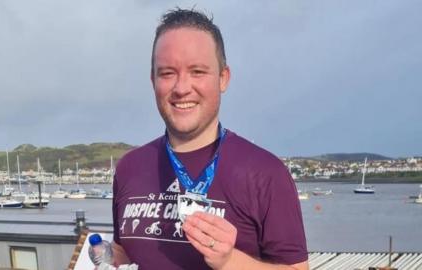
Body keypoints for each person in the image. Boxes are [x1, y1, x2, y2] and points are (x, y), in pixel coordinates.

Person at [112, 8, 308, 270]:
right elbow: (123, 253)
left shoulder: (266, 173)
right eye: (167, 73)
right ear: (153, 80)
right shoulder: (129, 168)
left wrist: (230, 261)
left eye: (197, 71)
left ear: (223, 78)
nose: (182, 88)